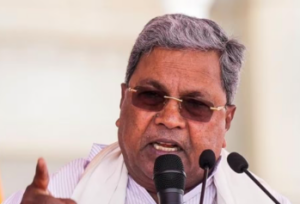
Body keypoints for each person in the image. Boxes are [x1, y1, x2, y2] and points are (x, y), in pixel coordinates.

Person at [3, 14, 291, 204]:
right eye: (151, 96)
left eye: (196, 105)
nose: (169, 119)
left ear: (226, 121)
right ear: (123, 102)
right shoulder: (59, 194)